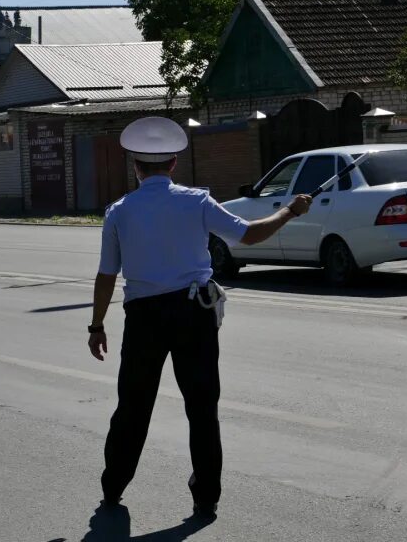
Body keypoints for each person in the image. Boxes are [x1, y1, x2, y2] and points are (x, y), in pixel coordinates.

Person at [87, 116, 311, 520]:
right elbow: (250, 234)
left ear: (135, 166)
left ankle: (113, 488)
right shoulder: (196, 202)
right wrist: (290, 211)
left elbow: (106, 275)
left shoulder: (119, 212)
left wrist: (96, 325)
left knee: (133, 406)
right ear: (173, 164)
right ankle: (206, 497)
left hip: (143, 318)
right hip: (194, 312)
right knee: (202, 409)